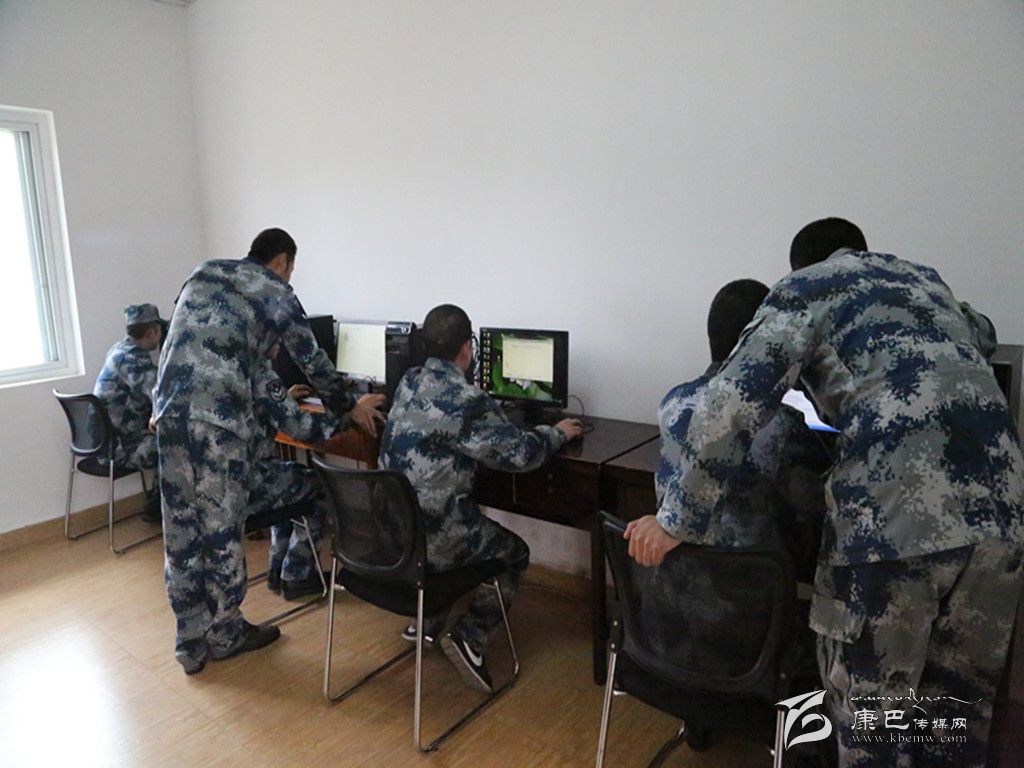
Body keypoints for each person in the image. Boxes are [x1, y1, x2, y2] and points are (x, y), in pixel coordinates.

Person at [626, 218, 1024, 767]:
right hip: (1002, 510)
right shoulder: (925, 282)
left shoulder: (805, 289)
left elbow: (729, 404)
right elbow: (985, 333)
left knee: (872, 726)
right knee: (952, 718)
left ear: (801, 266)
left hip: (893, 519)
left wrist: (676, 519)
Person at [154, 227, 385, 675]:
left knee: (181, 531)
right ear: (283, 262)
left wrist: (158, 405)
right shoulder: (273, 288)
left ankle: (189, 641)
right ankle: (226, 633)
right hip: (219, 424)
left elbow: (172, 344)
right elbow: (312, 359)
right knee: (219, 530)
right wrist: (348, 409)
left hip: (170, 413)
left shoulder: (204, 274)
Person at [380, 304, 584, 692]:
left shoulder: (408, 381)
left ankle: (426, 621)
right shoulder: (469, 400)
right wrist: (557, 433)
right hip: (434, 538)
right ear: (467, 348)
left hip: (395, 533)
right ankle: (470, 636)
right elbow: (521, 455)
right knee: (514, 553)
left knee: (451, 518)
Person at [250, 346, 340, 600]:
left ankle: (277, 567)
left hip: (224, 488)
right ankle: (296, 574)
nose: (280, 346)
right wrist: (348, 415)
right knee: (319, 485)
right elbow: (303, 429)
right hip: (250, 487)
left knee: (287, 480)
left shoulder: (231, 366)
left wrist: (282, 399)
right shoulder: (262, 373)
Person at [93, 303, 165, 519]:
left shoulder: (118, 349)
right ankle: (164, 509)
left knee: (163, 435)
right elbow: (162, 396)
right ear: (151, 332)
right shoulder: (135, 360)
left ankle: (157, 503)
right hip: (119, 448)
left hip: (104, 442)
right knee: (175, 443)